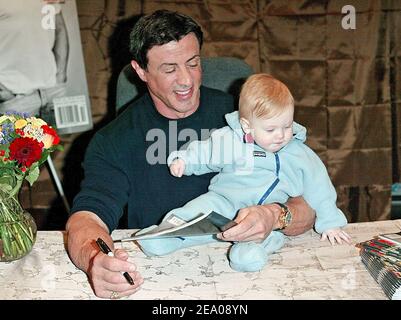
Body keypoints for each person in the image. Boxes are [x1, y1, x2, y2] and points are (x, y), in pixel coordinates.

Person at [66, 9, 316, 299]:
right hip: (166, 280)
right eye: (170, 69)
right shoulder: (113, 141)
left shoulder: (248, 119)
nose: (186, 80)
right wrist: (95, 258)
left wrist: (275, 216)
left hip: (254, 271)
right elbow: (87, 219)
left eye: (193, 63)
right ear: (141, 71)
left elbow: (308, 207)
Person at [137, 73, 352, 272]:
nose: (281, 136)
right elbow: (207, 150)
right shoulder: (231, 139)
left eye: (287, 126)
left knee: (263, 238)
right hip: (223, 201)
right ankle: (167, 235)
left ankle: (247, 253)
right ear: (247, 126)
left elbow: (320, 187)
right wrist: (184, 160)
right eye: (270, 129)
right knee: (195, 211)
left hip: (262, 216)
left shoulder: (299, 154)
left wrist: (330, 223)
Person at [0, 0, 69, 116]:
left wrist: (60, 77)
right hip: (15, 99)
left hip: (52, 91)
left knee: (63, 134)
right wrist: (5, 94)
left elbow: (60, 29)